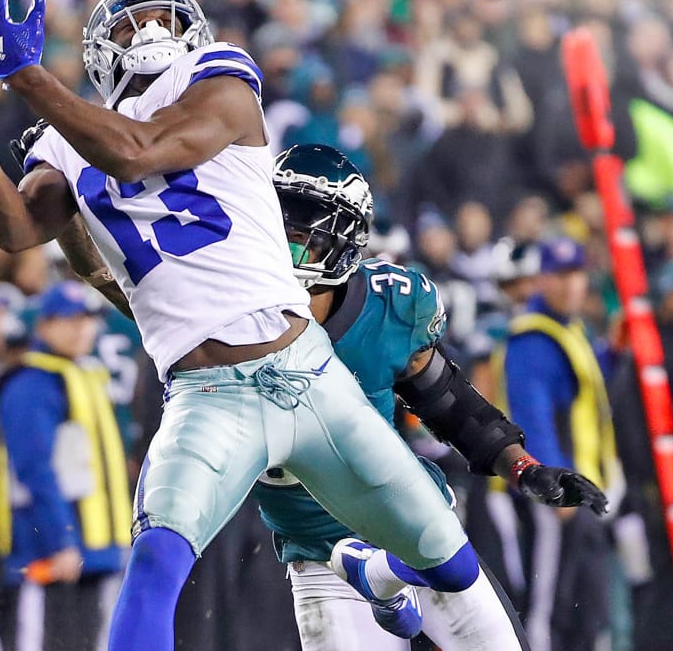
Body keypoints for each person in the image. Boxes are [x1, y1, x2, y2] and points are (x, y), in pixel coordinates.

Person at [0, 0, 509, 651]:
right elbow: (12, 228)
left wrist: (29, 78)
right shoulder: (64, 142)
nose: (150, 33)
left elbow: (139, 153)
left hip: (305, 370)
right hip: (207, 393)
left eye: (162, 17)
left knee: (450, 564)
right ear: (103, 54)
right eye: (130, 27)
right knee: (157, 563)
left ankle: (380, 573)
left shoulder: (220, 77)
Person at [255, 145, 606, 650]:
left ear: (342, 241)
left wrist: (525, 468)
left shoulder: (387, 308)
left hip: (414, 532)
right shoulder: (231, 317)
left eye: (300, 235)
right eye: (277, 225)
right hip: (322, 560)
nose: (282, 247)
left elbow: (451, 407)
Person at [495, 239, 621, 651]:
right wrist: (556, 490)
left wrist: (614, 354)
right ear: (542, 279)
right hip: (556, 494)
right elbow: (532, 418)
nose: (571, 286)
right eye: (560, 275)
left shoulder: (570, 329)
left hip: (581, 490)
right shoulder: (532, 338)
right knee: (548, 608)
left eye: (577, 275)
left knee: (586, 607)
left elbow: (583, 398)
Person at [0, 281, 130, 650]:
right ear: (44, 326)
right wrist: (61, 539)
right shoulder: (32, 384)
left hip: (93, 549)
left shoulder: (86, 374)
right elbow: (35, 471)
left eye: (87, 319)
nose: (81, 328)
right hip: (52, 554)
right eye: (69, 320)